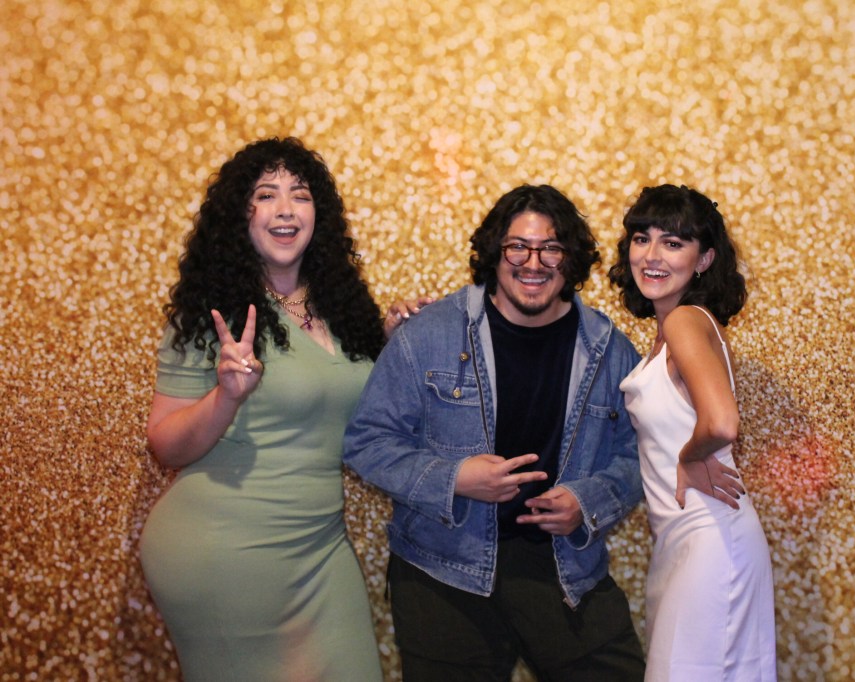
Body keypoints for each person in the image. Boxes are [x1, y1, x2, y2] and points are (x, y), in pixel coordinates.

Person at [343, 184, 646, 681]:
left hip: (563, 568)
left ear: (571, 258)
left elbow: (639, 453)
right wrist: (455, 479)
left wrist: (587, 502)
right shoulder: (429, 333)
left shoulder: (609, 349)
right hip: (443, 571)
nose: (534, 263)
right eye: (517, 247)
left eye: (551, 248)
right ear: (494, 253)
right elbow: (367, 441)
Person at [140, 137, 388, 681]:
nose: (285, 209)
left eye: (300, 195)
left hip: (321, 547)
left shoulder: (344, 309)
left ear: (318, 214)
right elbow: (165, 444)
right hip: (224, 549)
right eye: (266, 194)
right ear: (240, 214)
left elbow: (350, 403)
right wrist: (226, 395)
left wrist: (393, 339)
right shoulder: (210, 314)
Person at [610, 184, 776, 681]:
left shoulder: (685, 321)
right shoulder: (674, 330)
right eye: (642, 239)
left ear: (704, 259)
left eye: (673, 243)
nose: (652, 256)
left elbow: (722, 422)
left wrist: (689, 456)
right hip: (685, 540)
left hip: (712, 540)